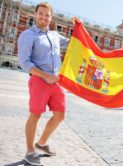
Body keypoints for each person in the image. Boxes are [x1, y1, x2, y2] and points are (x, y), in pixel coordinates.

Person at [18, 2, 78, 165]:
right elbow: (24, 62)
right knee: (35, 115)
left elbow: (74, 42)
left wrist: (77, 27)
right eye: (41, 14)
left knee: (60, 114)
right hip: (39, 80)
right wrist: (44, 75)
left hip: (56, 81)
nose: (44, 17)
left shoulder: (55, 35)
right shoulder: (27, 35)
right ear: (35, 14)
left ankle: (42, 143)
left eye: (47, 15)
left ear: (51, 17)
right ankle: (30, 152)